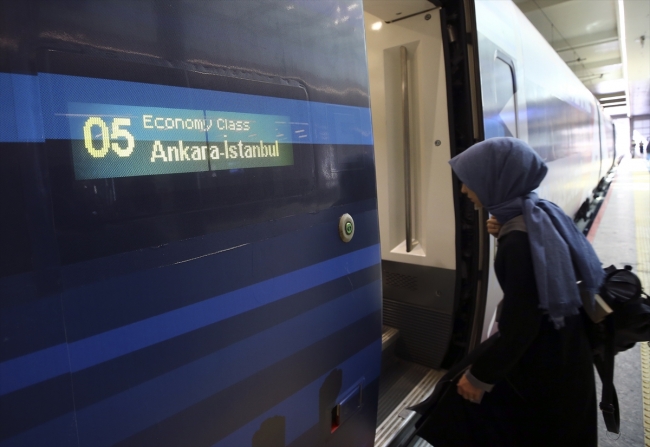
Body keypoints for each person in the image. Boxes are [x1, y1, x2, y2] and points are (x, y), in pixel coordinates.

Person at [416, 137, 603, 447]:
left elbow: (522, 323)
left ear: (496, 182)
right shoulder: (540, 212)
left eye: (469, 182)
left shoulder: (518, 240)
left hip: (545, 365)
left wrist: (481, 378)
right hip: (567, 350)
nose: (464, 190)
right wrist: (504, 230)